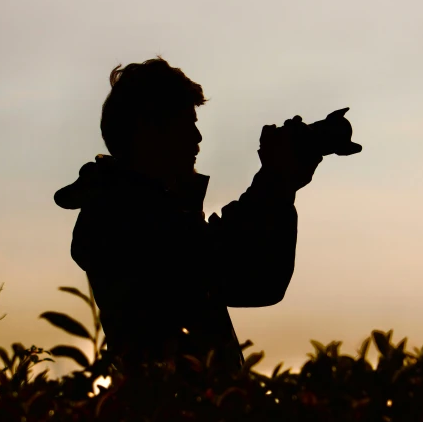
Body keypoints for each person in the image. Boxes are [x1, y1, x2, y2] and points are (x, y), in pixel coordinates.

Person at [54, 57, 322, 379]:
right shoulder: (126, 219)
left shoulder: (138, 210)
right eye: (185, 123)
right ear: (148, 129)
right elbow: (244, 276)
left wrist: (277, 183)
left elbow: (242, 268)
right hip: (173, 417)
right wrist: (277, 181)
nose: (197, 138)